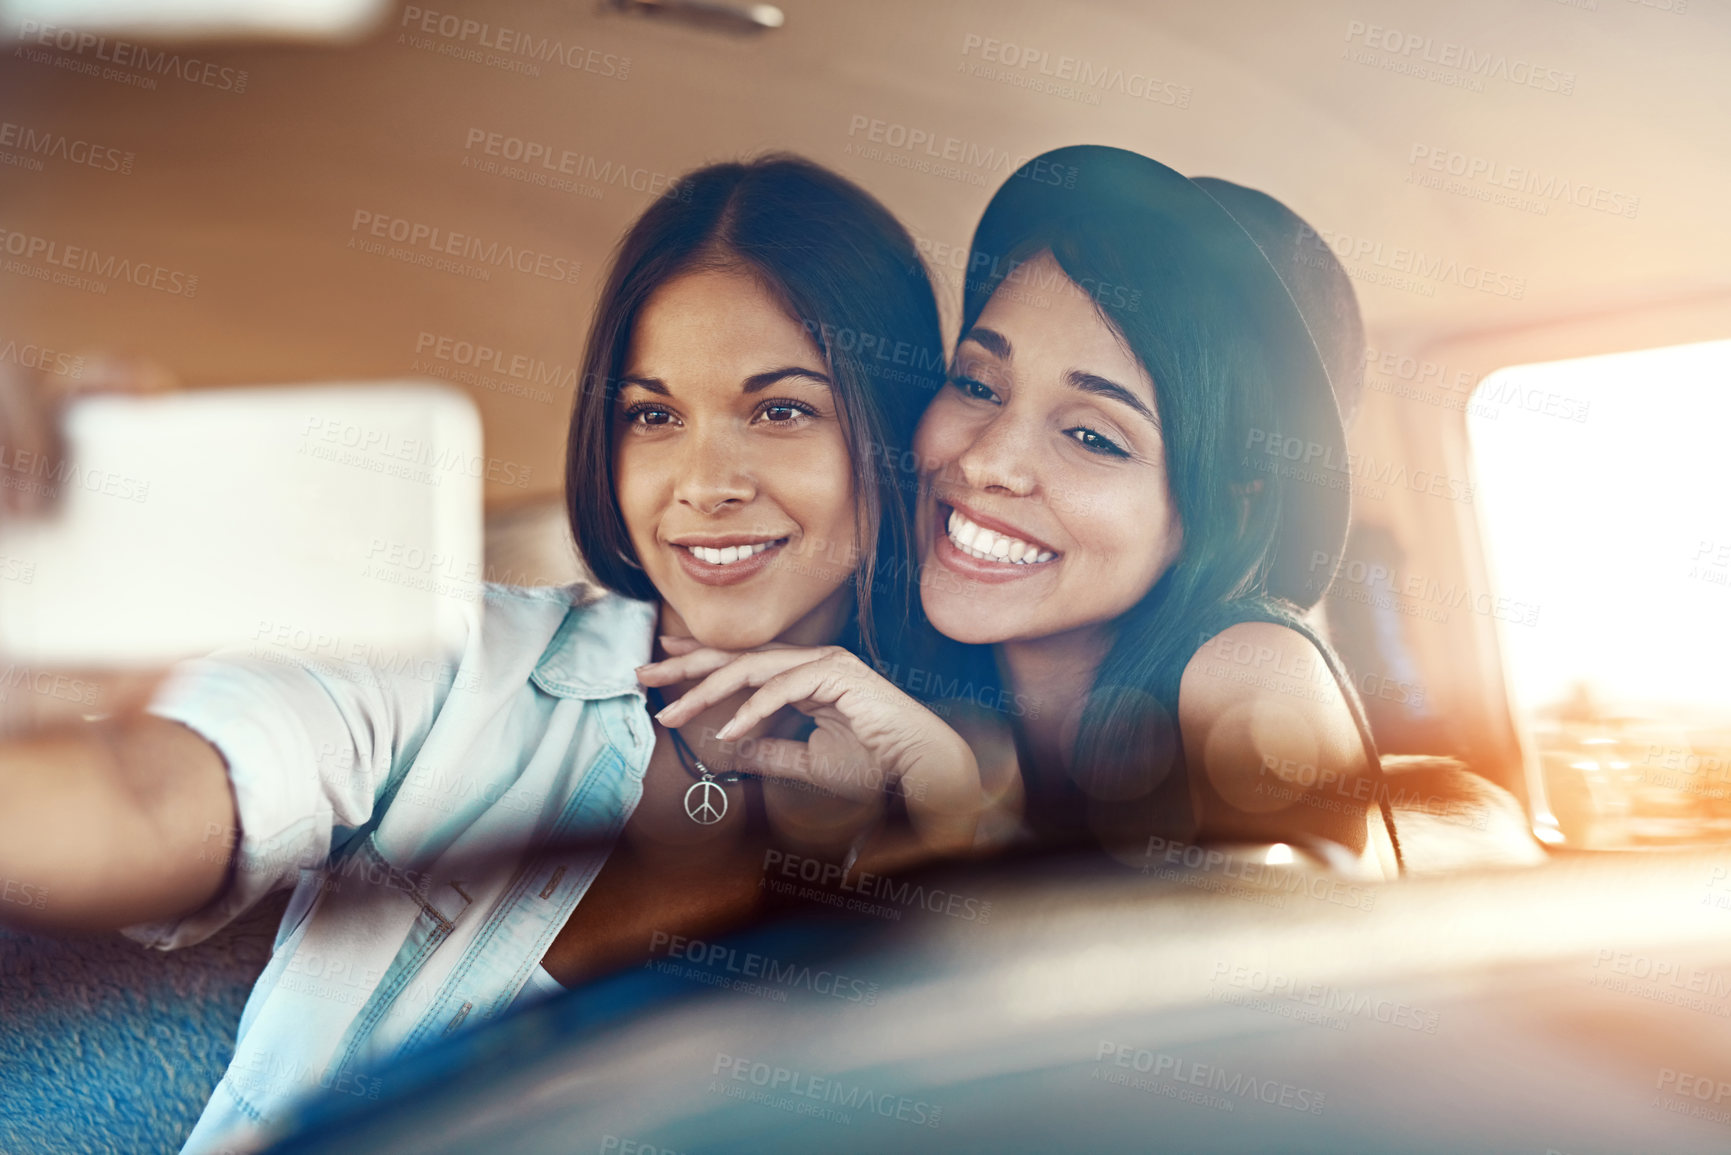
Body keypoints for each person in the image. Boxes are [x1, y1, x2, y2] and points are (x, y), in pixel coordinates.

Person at [0, 154, 993, 1154]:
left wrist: (945, 821)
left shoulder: (964, 802)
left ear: (895, 434)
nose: (704, 483)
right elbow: (153, 802)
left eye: (780, 410)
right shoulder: (449, 654)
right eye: (652, 415)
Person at [648, 146, 1403, 877]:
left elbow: (1278, 989)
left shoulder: (1249, 669)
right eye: (978, 384)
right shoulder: (890, 669)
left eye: (1090, 436)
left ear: (1234, 506)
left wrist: (955, 813)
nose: (985, 461)